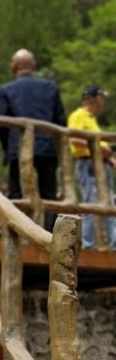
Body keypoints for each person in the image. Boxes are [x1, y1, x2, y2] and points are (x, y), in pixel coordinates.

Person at [0, 48, 66, 230]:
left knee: (17, 193)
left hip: (17, 147)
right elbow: (61, 122)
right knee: (49, 193)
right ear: (33, 66)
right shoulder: (50, 88)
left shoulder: (6, 90)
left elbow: (1, 124)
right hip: (46, 146)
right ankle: (50, 236)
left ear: (13, 68)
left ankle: (17, 232)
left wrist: (7, 149)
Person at [67, 85, 116, 249]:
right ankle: (88, 245)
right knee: (90, 202)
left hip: (101, 164)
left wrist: (109, 158)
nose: (104, 101)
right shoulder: (78, 115)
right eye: (102, 97)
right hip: (87, 163)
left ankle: (114, 243)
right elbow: (74, 139)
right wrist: (99, 148)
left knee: (109, 203)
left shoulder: (92, 119)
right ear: (95, 98)